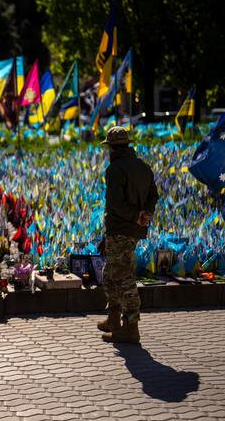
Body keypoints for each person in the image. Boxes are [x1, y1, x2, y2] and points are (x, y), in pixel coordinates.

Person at [99, 126, 159, 344]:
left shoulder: (115, 169)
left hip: (121, 228)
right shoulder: (143, 167)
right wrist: (145, 214)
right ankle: (113, 318)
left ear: (112, 148)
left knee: (123, 276)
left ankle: (130, 327)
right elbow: (154, 195)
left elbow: (114, 203)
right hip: (131, 228)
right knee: (109, 273)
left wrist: (135, 216)